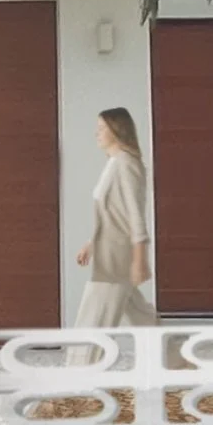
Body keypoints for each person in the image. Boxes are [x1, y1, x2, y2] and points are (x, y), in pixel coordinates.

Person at [73, 107, 157, 327]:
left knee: (94, 317)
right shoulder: (114, 163)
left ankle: (82, 362)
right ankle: (175, 358)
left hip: (116, 256)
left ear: (117, 130)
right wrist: (91, 244)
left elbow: (135, 215)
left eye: (101, 128)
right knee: (138, 312)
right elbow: (113, 215)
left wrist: (141, 260)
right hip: (108, 250)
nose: (96, 134)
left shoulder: (126, 164)